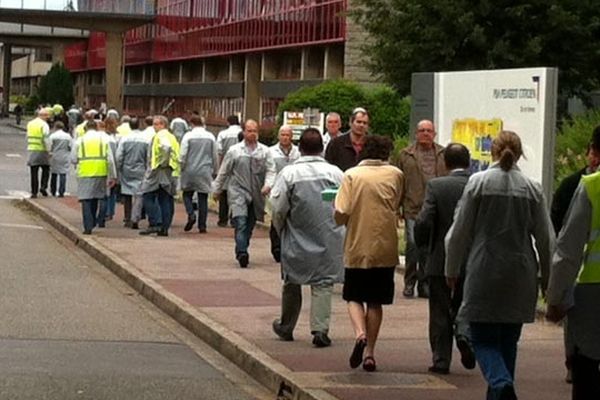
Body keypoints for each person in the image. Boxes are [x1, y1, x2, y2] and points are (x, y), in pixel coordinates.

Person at [445, 130, 553, 400]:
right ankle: (502, 388)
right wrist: (548, 279)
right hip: (521, 273)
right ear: (520, 154)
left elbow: (459, 233)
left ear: (492, 151)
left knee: (482, 338)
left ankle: (502, 382)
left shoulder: (478, 183)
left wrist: (451, 269)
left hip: (484, 269)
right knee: (508, 341)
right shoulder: (532, 188)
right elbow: (546, 239)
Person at [334, 135, 404, 372]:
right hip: (385, 245)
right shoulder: (395, 174)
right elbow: (397, 202)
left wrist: (341, 221)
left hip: (357, 243)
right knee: (375, 301)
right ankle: (371, 353)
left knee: (353, 295)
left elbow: (341, 209)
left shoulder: (352, 175)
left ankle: (359, 334)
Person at [270, 128, 344, 347]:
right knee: (323, 283)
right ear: (322, 148)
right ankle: (320, 329)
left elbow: (278, 208)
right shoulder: (336, 173)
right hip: (329, 237)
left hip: (297, 235)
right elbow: (345, 204)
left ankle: (286, 326)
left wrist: (280, 227)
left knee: (292, 280)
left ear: (299, 148)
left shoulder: (290, 174)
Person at [546, 125, 600, 400]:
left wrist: (554, 298)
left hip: (591, 290)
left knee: (587, 365)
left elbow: (567, 250)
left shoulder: (590, 186)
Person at [415, 143, 475, 374]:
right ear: (468, 162)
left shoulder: (436, 186)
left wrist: (423, 247)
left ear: (445, 163)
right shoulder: (476, 184)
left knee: (439, 309)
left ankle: (441, 360)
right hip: (471, 259)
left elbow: (424, 220)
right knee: (466, 302)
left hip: (440, 257)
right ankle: (464, 334)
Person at [212, 119, 276, 268]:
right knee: (240, 221)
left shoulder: (265, 151)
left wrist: (268, 185)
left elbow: (271, 170)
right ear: (244, 132)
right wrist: (217, 190)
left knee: (250, 224)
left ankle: (242, 245)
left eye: (255, 131)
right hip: (238, 191)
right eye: (249, 131)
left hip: (257, 192)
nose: (252, 134)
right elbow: (224, 171)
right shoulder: (235, 151)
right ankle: (242, 253)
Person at [397, 119, 446, 299]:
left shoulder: (443, 153)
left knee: (428, 246)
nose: (425, 133)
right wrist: (398, 207)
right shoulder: (405, 155)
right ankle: (410, 282)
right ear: (416, 134)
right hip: (412, 206)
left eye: (429, 131)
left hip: (434, 207)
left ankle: (425, 282)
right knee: (413, 244)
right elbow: (399, 182)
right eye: (422, 130)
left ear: (434, 134)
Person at [71, 119, 117, 234]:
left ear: (85, 128)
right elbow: (110, 160)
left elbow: (73, 159)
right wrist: (113, 176)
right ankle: (96, 220)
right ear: (96, 128)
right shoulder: (103, 140)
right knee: (97, 197)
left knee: (86, 199)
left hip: (84, 172)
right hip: (101, 171)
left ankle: (88, 226)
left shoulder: (79, 140)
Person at [139, 115, 180, 237]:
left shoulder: (161, 135)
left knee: (147, 194)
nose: (154, 126)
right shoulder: (172, 136)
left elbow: (165, 148)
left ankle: (155, 222)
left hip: (159, 170)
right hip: (170, 170)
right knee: (165, 198)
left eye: (156, 124)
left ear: (163, 125)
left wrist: (162, 162)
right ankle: (164, 228)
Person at [180, 115, 218, 233]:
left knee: (187, 194)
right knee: (203, 197)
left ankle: (191, 213)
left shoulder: (188, 136)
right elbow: (214, 155)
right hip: (205, 170)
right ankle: (202, 225)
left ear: (191, 123)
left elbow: (183, 155)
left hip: (190, 169)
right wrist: (215, 170)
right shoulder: (210, 137)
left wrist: (181, 167)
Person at [268, 125, 301, 262]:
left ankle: (290, 247)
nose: (285, 137)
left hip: (294, 190)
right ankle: (276, 247)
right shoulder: (270, 152)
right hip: (277, 189)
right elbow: (269, 170)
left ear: (292, 137)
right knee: (277, 216)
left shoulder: (298, 152)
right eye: (283, 135)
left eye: (288, 135)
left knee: (291, 219)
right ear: (278, 136)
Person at [116, 117, 151, 229]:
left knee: (127, 194)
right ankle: (136, 216)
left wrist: (119, 167)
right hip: (141, 169)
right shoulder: (145, 139)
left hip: (127, 168)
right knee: (139, 194)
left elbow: (119, 156)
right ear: (139, 125)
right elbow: (148, 156)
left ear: (130, 126)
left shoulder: (125, 139)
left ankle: (127, 218)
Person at [216, 115, 242, 227]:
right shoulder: (243, 132)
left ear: (228, 122)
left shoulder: (223, 134)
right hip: (240, 165)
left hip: (226, 164)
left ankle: (223, 219)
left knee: (224, 193)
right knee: (237, 193)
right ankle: (234, 218)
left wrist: (219, 167)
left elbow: (219, 150)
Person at [26, 108, 51, 198]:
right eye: (47, 116)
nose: (48, 118)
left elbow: (27, 136)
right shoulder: (44, 125)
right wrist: (49, 150)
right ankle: (43, 186)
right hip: (42, 150)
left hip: (32, 149)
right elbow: (46, 139)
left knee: (34, 172)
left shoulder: (30, 123)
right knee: (46, 169)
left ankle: (34, 192)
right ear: (43, 115)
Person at [48, 121, 72, 197]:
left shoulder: (53, 136)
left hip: (55, 155)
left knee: (54, 173)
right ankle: (61, 191)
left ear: (55, 127)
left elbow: (49, 146)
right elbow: (70, 146)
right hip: (65, 155)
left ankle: (53, 190)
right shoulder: (68, 136)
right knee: (63, 173)